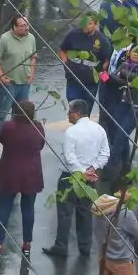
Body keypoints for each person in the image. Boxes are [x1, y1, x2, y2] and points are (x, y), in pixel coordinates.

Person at [43, 99, 108, 257]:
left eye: (70, 112)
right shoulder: (99, 130)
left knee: (65, 212)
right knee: (85, 212)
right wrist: (92, 168)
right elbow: (105, 153)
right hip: (90, 178)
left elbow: (69, 158)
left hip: (70, 177)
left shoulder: (71, 132)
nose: (68, 115)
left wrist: (81, 171)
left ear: (77, 113)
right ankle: (85, 246)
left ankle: (61, 245)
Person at [0, 98, 46, 257]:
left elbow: (1, 139)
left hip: (10, 172)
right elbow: (41, 145)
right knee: (28, 209)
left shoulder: (9, 127)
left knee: (4, 208)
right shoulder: (37, 127)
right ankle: (27, 243)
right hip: (31, 173)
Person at [0, 14, 39, 132]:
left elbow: (33, 57)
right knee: (0, 115)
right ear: (14, 27)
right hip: (8, 83)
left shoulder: (31, 38)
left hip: (24, 84)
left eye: (27, 25)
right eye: (23, 26)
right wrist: (1, 77)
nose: (27, 28)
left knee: (21, 117)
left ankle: (16, 140)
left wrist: (32, 74)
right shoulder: (4, 39)